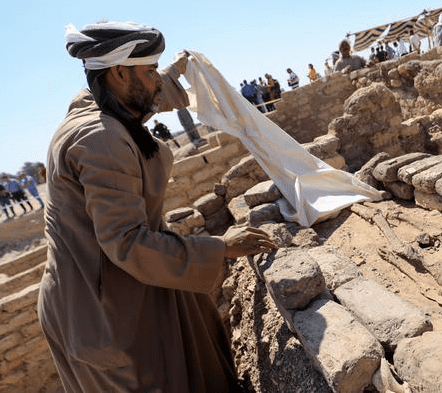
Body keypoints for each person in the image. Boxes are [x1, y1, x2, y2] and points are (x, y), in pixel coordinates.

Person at [38, 21, 276, 392]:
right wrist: (221, 247)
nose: (156, 82)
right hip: (104, 311)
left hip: (118, 288)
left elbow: (141, 98)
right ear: (118, 72)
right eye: (149, 72)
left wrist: (174, 70)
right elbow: (126, 241)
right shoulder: (101, 139)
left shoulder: (100, 104)